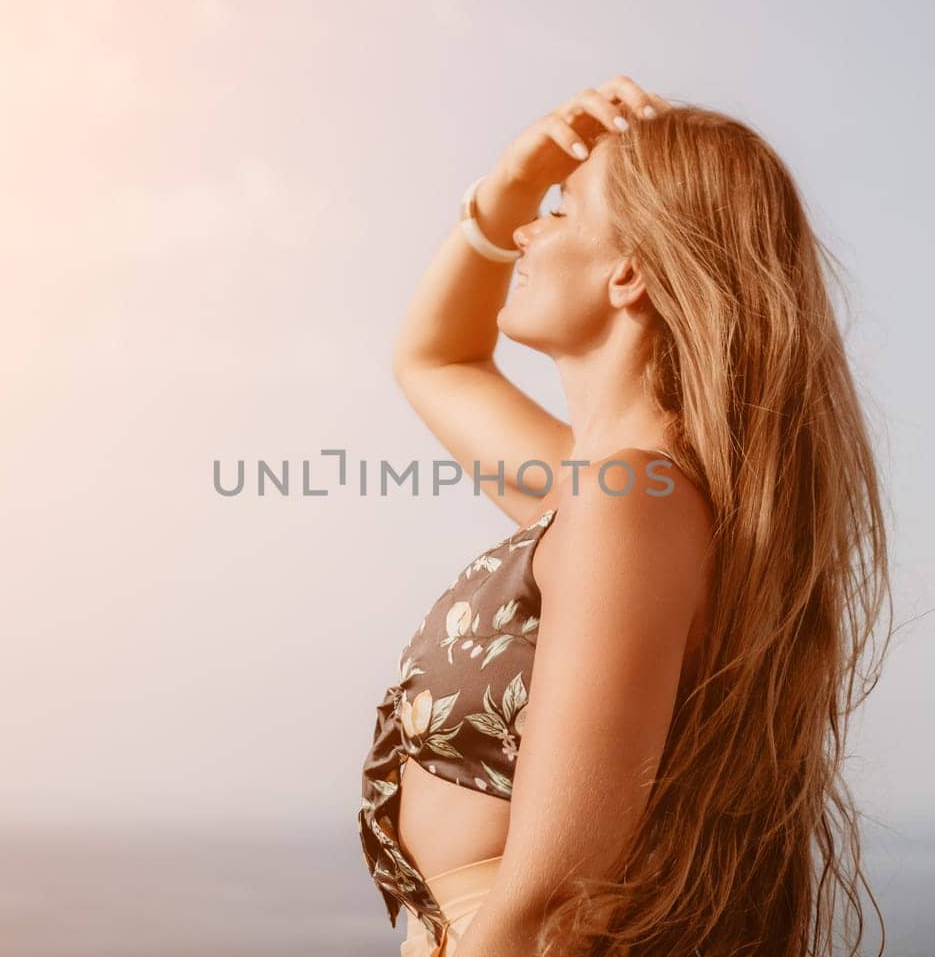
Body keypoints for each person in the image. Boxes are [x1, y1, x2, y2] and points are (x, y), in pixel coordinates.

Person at [356, 74, 895, 957]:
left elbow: (554, 895)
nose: (530, 232)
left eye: (562, 212)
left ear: (631, 271)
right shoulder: (608, 492)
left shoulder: (635, 507)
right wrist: (505, 191)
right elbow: (435, 359)